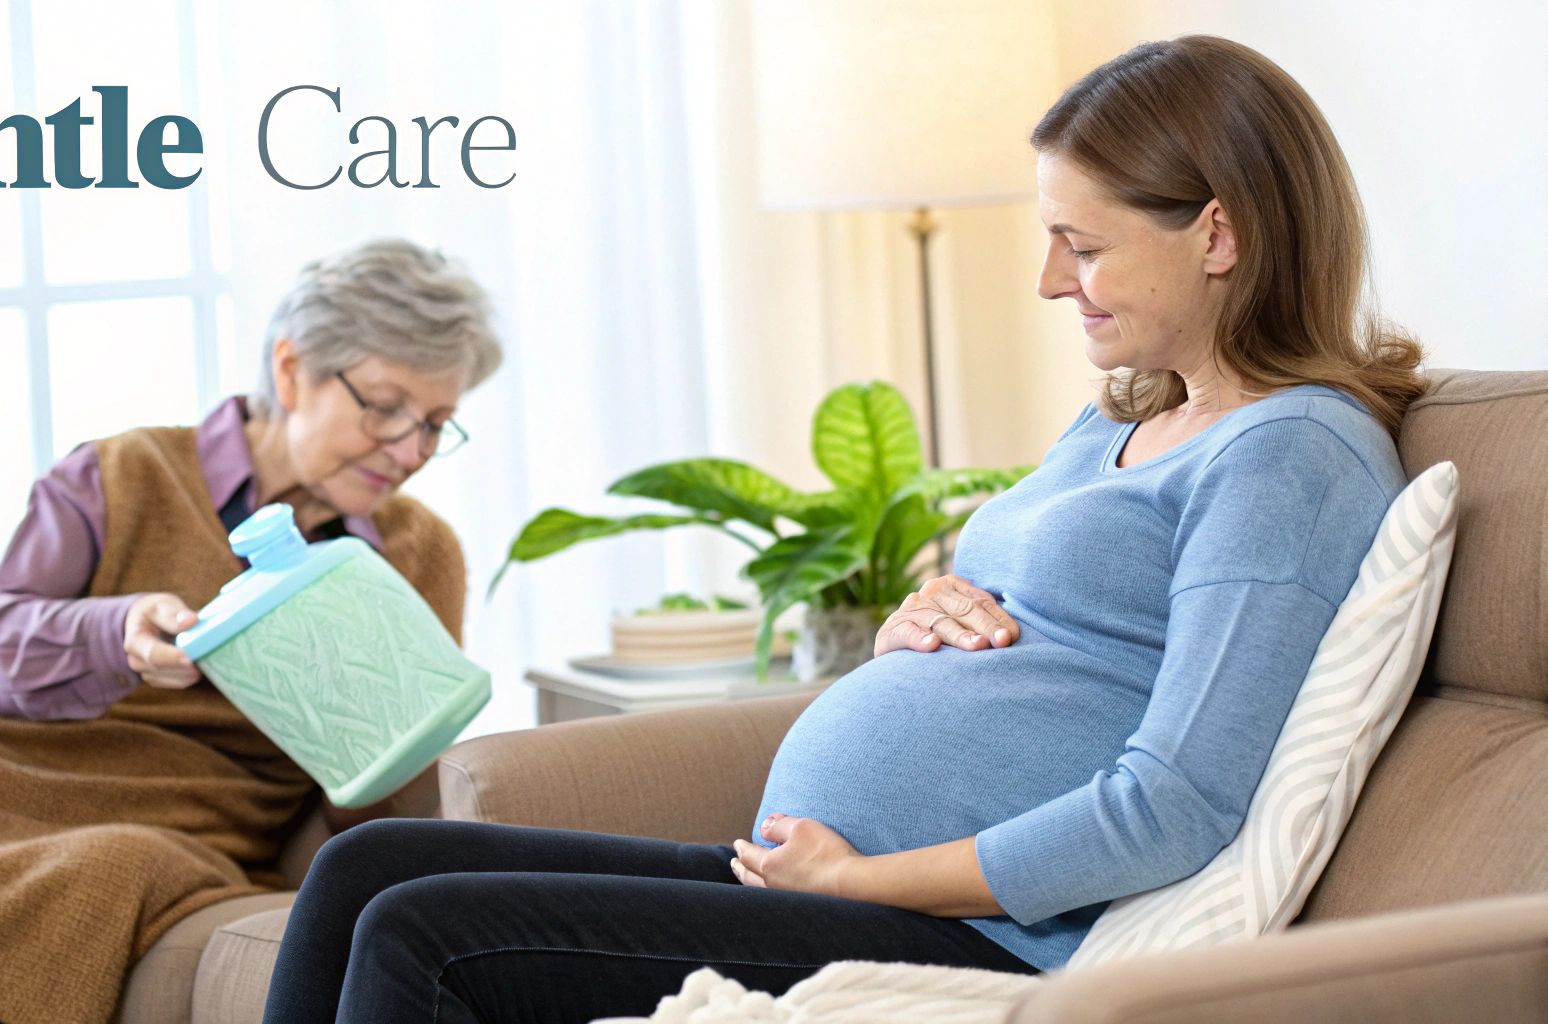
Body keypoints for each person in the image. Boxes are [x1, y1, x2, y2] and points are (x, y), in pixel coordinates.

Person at [261, 36, 1428, 1023]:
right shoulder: (1124, 417)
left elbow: (1172, 807)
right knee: (365, 865)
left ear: (1216, 235)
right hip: (824, 881)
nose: (1046, 280)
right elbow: (1041, 649)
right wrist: (908, 634)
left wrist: (866, 879)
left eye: (1081, 245)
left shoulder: (1287, 454)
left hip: (963, 936)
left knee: (425, 933)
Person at [0, 240, 503, 1024]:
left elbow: (378, 802)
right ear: (292, 369)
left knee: (101, 871)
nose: (410, 450)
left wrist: (361, 728)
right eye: (385, 407)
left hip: (168, 817)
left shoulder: (419, 555)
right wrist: (115, 632)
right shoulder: (122, 473)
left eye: (436, 425)